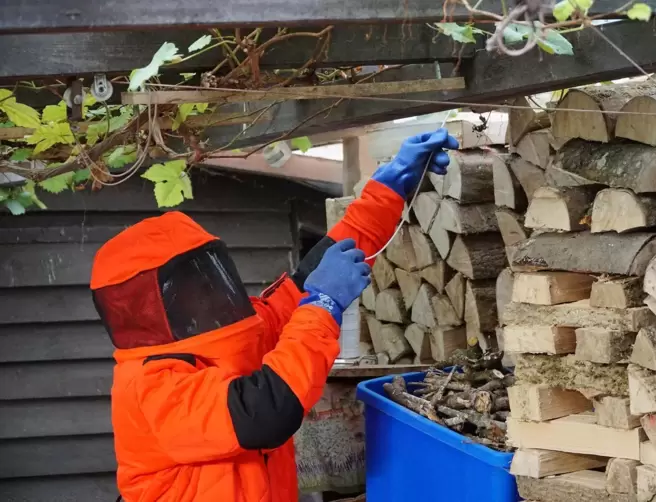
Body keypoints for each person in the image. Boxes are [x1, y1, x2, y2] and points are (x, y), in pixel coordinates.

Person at [90, 128, 459, 502]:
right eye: (190, 287)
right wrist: (324, 305)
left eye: (207, 276)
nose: (207, 292)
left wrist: (389, 189)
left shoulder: (236, 335)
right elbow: (266, 412)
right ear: (152, 310)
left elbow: (308, 281)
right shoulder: (151, 387)